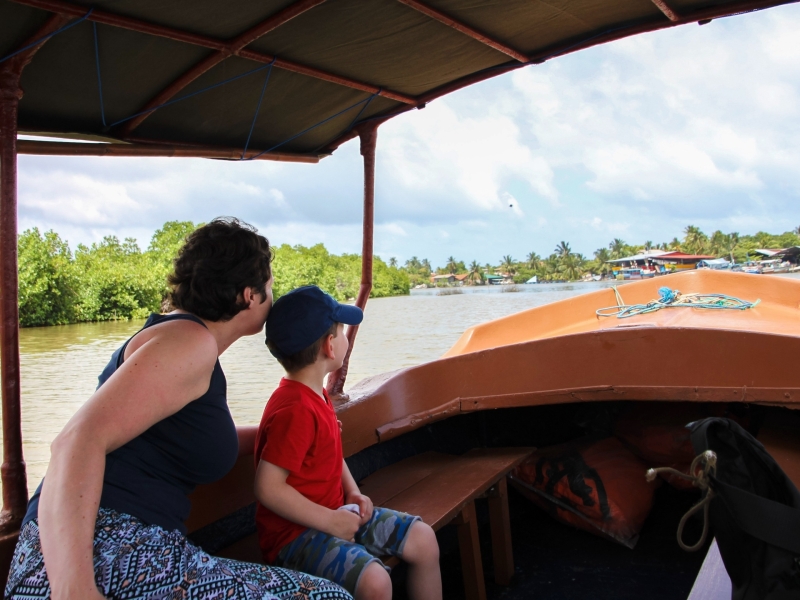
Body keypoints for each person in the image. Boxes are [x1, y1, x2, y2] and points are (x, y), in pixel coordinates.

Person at [5, 218, 352, 600]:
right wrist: (74, 589)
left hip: (127, 545)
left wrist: (286, 433)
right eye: (270, 287)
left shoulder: (183, 339)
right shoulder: (190, 343)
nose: (272, 298)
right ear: (249, 295)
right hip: (102, 550)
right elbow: (75, 440)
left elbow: (173, 438)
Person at [255, 285, 442, 600]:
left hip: (336, 512)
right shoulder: (295, 409)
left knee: (423, 539)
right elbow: (268, 487)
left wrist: (353, 491)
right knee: (376, 583)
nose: (345, 338)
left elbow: (331, 454)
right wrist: (330, 521)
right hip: (296, 536)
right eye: (341, 331)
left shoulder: (316, 394)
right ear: (330, 347)